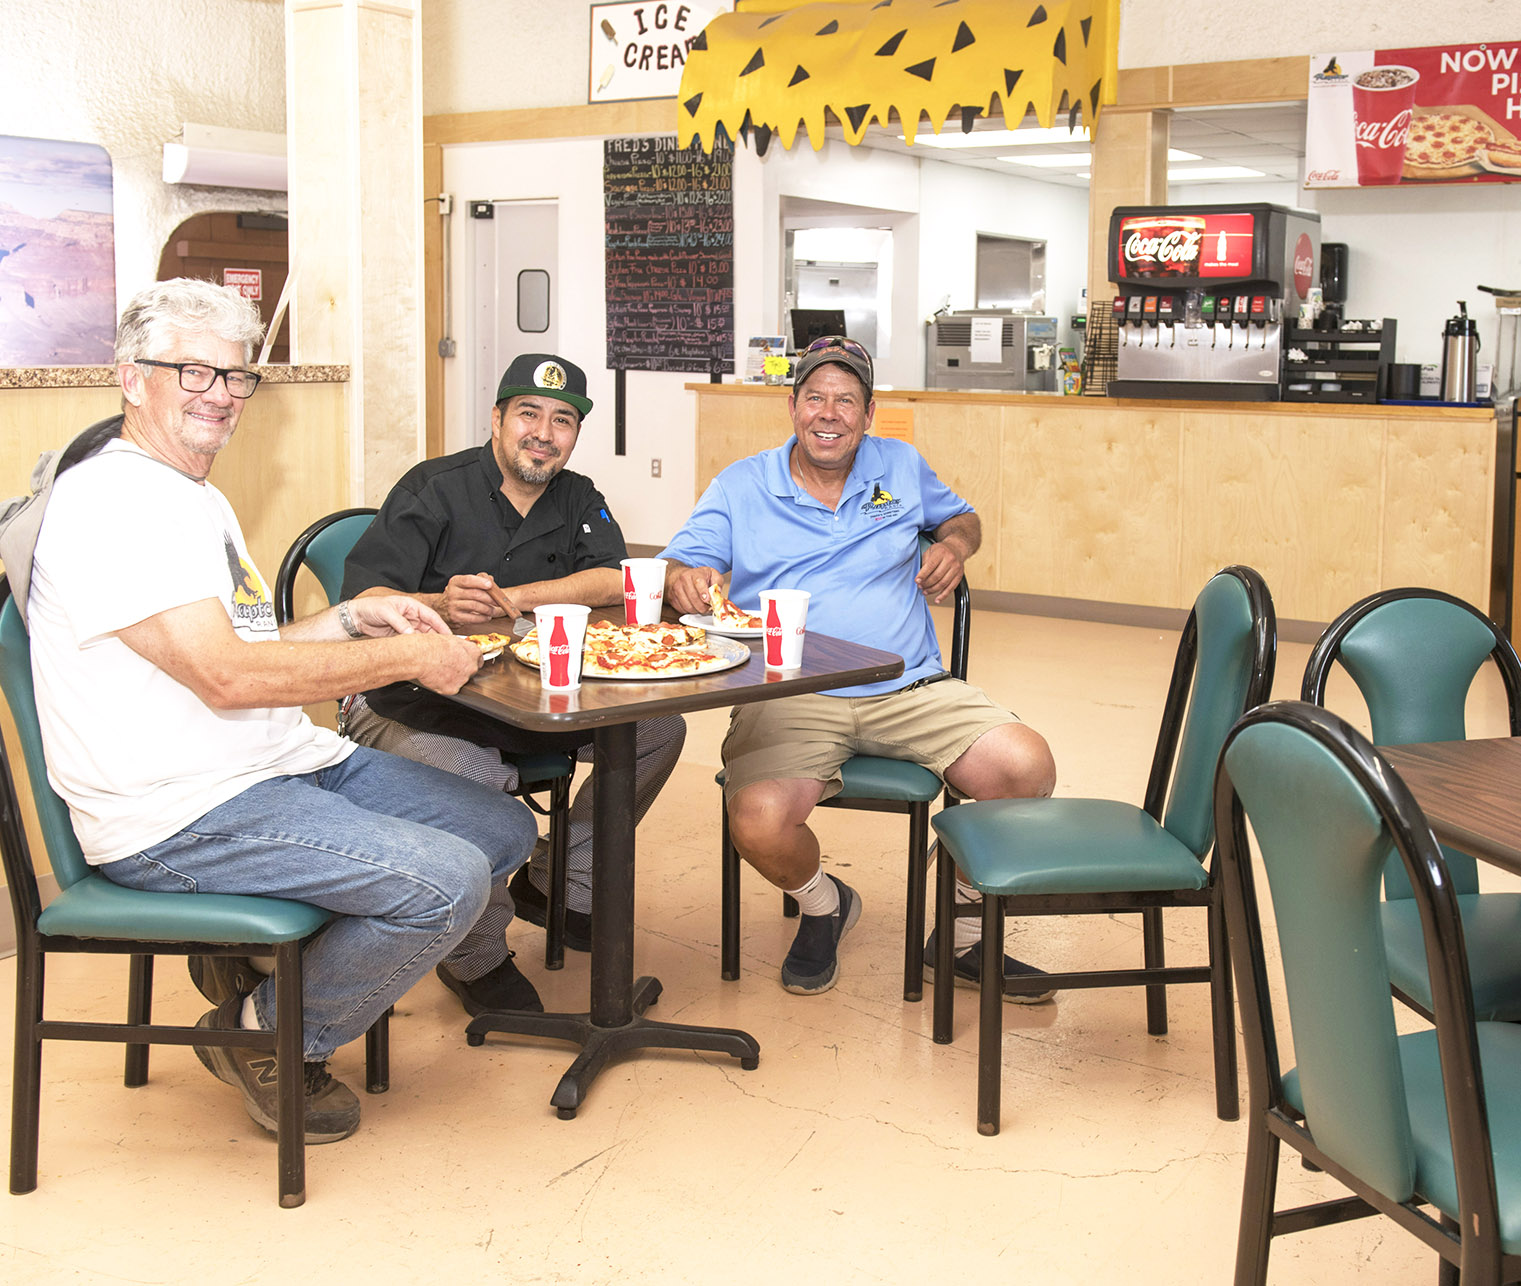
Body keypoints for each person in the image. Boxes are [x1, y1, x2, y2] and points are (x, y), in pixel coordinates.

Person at [24, 278, 538, 1144]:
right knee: (443, 882)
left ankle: (265, 957)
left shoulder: (192, 492)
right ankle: (260, 1033)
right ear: (128, 377)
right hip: (180, 811)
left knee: (501, 832)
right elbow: (227, 680)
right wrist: (407, 655)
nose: (219, 396)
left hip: (277, 765)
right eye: (192, 373)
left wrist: (348, 618)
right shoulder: (112, 503)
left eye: (234, 377)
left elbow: (249, 650)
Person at [660, 335, 1057, 997]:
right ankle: (824, 906)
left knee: (1026, 767)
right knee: (756, 820)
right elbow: (681, 563)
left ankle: (956, 940)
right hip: (791, 689)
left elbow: (964, 518)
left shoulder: (899, 464)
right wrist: (686, 577)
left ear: (868, 415)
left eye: (846, 400)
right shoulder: (741, 484)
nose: (829, 412)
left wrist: (955, 546)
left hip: (908, 683)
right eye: (815, 397)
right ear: (793, 406)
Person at [338, 353, 686, 987]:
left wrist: (517, 598)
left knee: (659, 729)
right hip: (412, 701)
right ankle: (474, 953)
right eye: (528, 413)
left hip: (534, 696)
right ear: (496, 419)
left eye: (562, 420)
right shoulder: (432, 488)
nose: (544, 433)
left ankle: (563, 879)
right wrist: (440, 603)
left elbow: (611, 575)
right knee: (467, 767)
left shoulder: (578, 494)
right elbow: (360, 602)